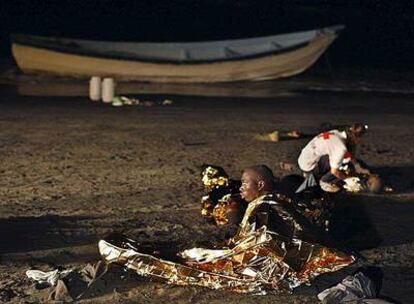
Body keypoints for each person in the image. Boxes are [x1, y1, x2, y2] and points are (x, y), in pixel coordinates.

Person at [99, 165, 354, 294]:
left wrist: (231, 250)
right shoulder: (263, 202)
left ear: (261, 184)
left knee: (194, 263)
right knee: (195, 255)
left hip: (260, 260)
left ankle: (131, 255)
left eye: (245, 183)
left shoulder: (265, 204)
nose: (241, 187)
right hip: (252, 249)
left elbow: (265, 240)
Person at [296, 123, 369, 193]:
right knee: (344, 167)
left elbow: (347, 153)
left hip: (305, 157)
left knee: (343, 158)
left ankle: (319, 175)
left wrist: (357, 166)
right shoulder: (340, 147)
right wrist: (347, 179)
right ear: (355, 138)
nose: (360, 141)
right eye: (360, 138)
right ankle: (325, 182)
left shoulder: (336, 133)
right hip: (309, 166)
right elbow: (334, 171)